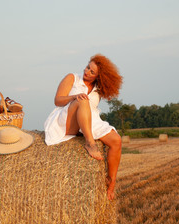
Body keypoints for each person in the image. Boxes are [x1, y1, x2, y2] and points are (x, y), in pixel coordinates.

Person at [44, 54, 123, 200]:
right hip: (66, 120)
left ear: (99, 77)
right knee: (82, 101)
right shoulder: (72, 78)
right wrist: (75, 97)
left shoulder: (98, 89)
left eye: (92, 72)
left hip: (90, 121)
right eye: (88, 67)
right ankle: (90, 143)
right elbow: (58, 100)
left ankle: (110, 184)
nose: (87, 72)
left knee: (116, 141)